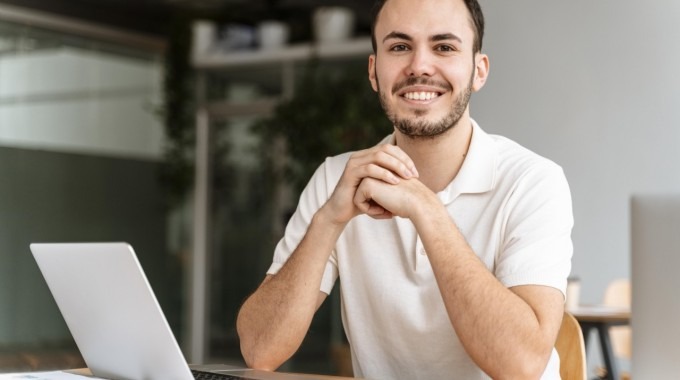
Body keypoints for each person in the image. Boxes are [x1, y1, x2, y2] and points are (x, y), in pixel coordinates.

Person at [236, 0, 573, 378]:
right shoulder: (337, 179)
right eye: (399, 47)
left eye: (444, 47)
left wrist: (425, 209)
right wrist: (329, 219)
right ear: (374, 71)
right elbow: (259, 349)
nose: (419, 66)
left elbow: (522, 366)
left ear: (479, 71)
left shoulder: (533, 182)